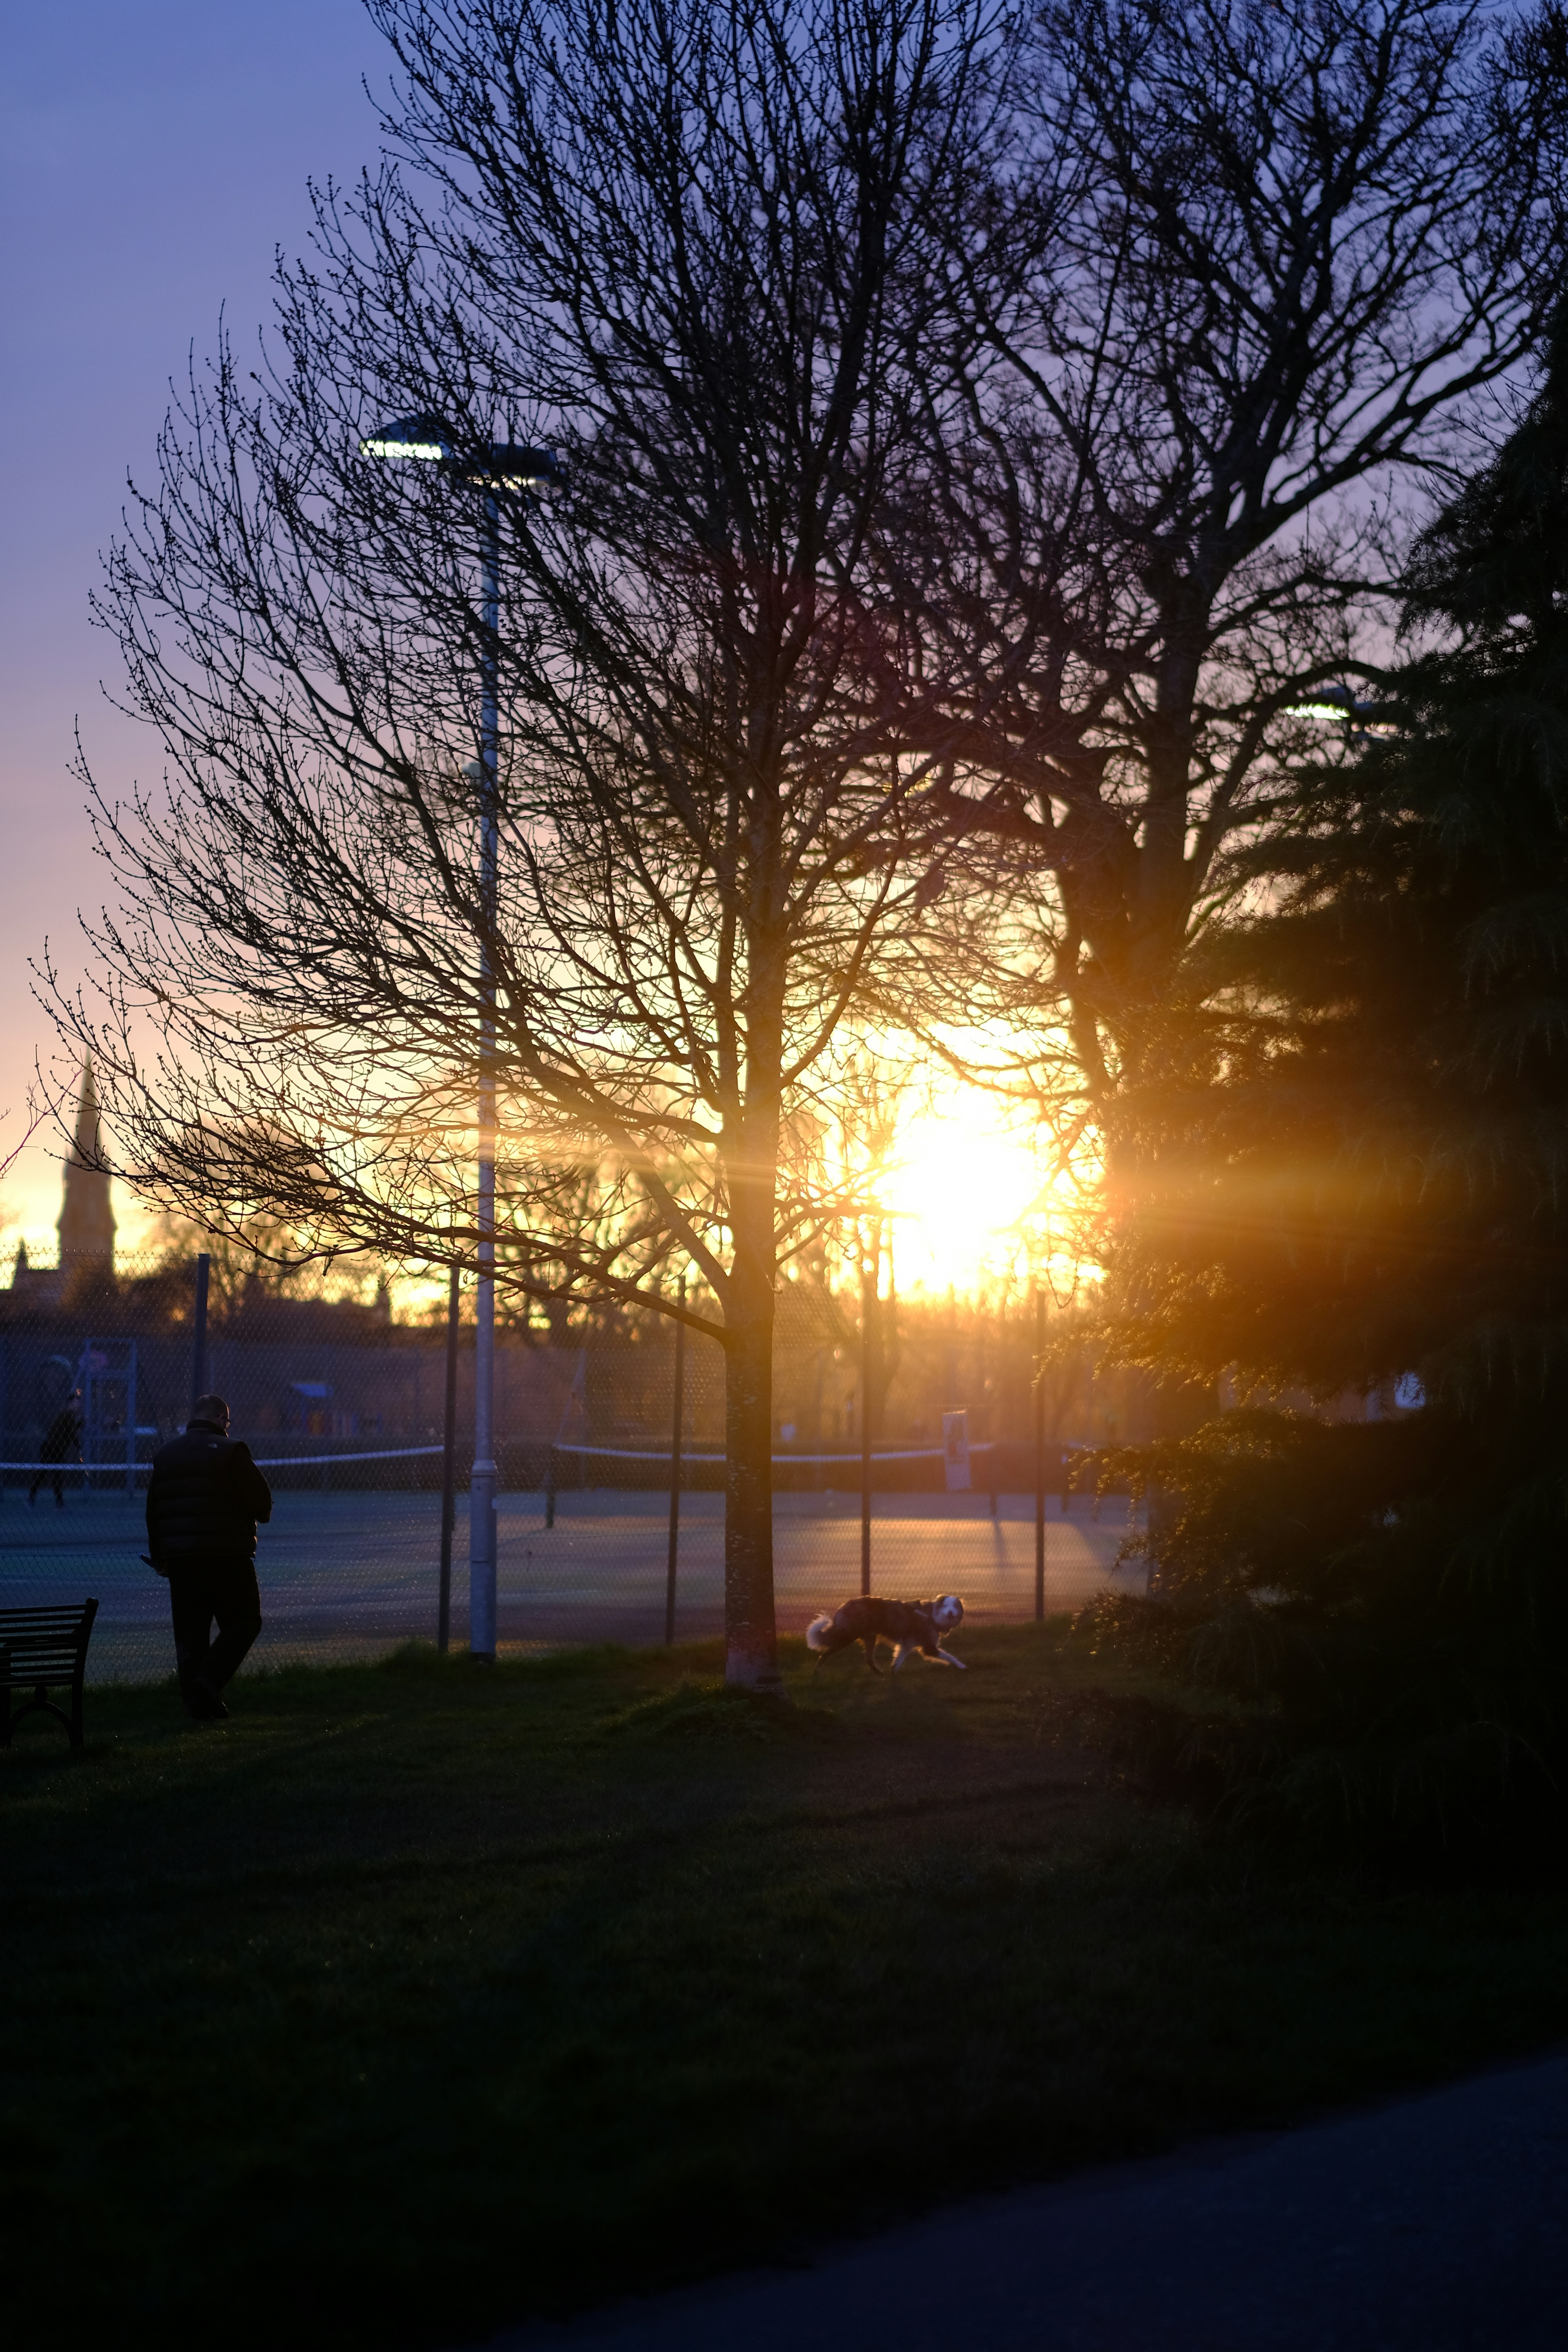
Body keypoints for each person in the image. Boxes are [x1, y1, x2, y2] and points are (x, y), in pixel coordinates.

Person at [145, 1393, 272, 1721]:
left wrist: (161, 1557)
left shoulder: (166, 1455)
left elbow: (153, 1512)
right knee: (244, 1623)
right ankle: (209, 1681)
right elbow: (263, 1505)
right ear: (219, 1418)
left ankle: (199, 1707)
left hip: (183, 1560)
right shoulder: (233, 1452)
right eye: (226, 1422)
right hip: (229, 1556)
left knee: (191, 1636)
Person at [29, 1391, 83, 1508]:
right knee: (47, 1475)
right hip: (52, 1448)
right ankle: (54, 1503)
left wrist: (80, 1425)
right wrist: (79, 1448)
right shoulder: (68, 1415)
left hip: (55, 1449)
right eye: (74, 1402)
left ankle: (55, 1502)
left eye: (78, 1403)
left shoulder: (70, 1417)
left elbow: (70, 1431)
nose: (76, 1405)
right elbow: (72, 1433)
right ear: (69, 1403)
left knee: (52, 1475)